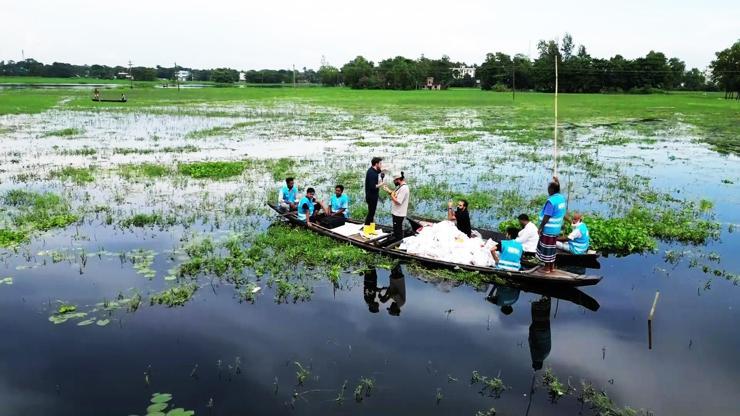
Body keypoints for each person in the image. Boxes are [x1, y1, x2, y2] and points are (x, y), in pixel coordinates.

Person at [536, 177, 567, 273]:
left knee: (546, 248)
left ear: (552, 190)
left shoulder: (551, 201)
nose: (548, 190)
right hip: (556, 229)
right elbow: (558, 189)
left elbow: (547, 216)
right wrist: (557, 181)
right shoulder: (561, 198)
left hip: (549, 229)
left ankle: (546, 268)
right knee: (552, 248)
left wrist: (540, 227)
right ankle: (552, 267)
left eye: (549, 189)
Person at [387, 171, 410, 242]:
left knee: (398, 230)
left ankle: (399, 244)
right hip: (396, 212)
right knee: (396, 229)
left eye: (394, 181)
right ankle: (397, 242)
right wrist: (389, 191)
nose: (394, 182)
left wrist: (391, 196)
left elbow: (398, 201)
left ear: (398, 179)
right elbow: (396, 196)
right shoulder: (400, 187)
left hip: (399, 213)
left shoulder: (404, 188)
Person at [364, 157, 384, 226]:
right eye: (380, 164)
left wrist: (383, 170)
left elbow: (378, 171)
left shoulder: (372, 170)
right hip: (371, 197)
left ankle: (370, 227)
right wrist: (381, 184)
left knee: (371, 213)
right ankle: (366, 227)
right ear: (376, 164)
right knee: (371, 213)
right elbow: (373, 187)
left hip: (370, 195)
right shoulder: (372, 174)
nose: (381, 165)